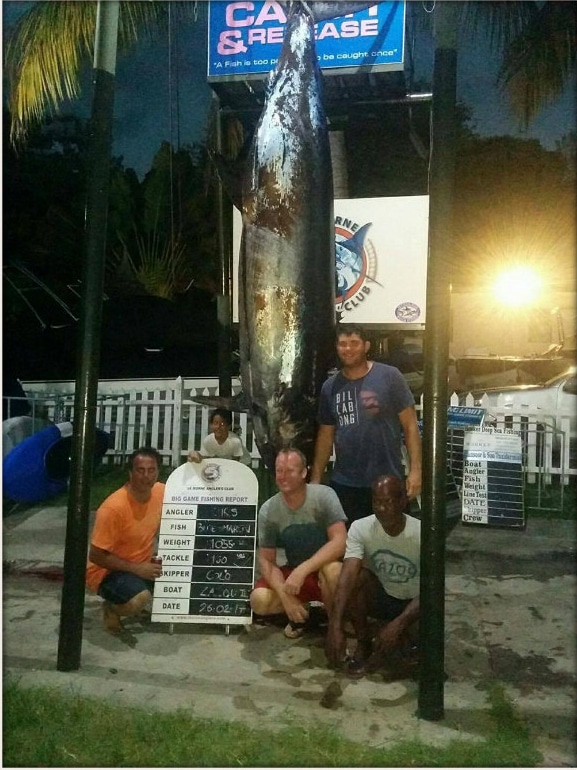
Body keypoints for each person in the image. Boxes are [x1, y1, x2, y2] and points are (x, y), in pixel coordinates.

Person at [310, 323, 422, 526]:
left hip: (387, 481)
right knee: (349, 550)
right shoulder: (329, 387)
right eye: (343, 344)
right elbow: (326, 436)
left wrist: (416, 472)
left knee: (392, 543)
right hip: (345, 483)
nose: (348, 349)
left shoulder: (390, 376)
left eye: (354, 343)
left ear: (366, 346)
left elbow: (410, 427)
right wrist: (316, 481)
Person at [326, 474, 420, 678]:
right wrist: (336, 625)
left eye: (388, 502)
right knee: (356, 578)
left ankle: (403, 638)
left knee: (416, 657)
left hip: (415, 604)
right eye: (377, 502)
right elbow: (348, 575)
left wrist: (400, 623)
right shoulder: (361, 528)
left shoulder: (421, 533)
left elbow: (434, 590)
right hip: (384, 595)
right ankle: (364, 642)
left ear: (403, 501)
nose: (381, 508)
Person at [250, 448, 348, 638]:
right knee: (258, 600)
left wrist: (304, 569)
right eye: (279, 471)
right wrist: (286, 597)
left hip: (324, 573)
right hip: (295, 576)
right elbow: (266, 561)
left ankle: (335, 625)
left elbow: (340, 540)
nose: (283, 476)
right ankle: (306, 614)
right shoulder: (268, 510)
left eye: (289, 470)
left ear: (304, 473)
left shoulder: (324, 496)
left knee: (333, 571)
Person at [86, 447, 165, 634]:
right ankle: (112, 609)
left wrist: (198, 461)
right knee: (139, 599)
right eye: (140, 470)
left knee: (183, 574)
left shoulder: (160, 491)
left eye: (151, 470)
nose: (146, 476)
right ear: (130, 473)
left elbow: (195, 487)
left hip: (141, 563)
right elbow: (96, 556)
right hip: (107, 571)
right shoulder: (113, 508)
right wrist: (138, 569)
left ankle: (132, 592)